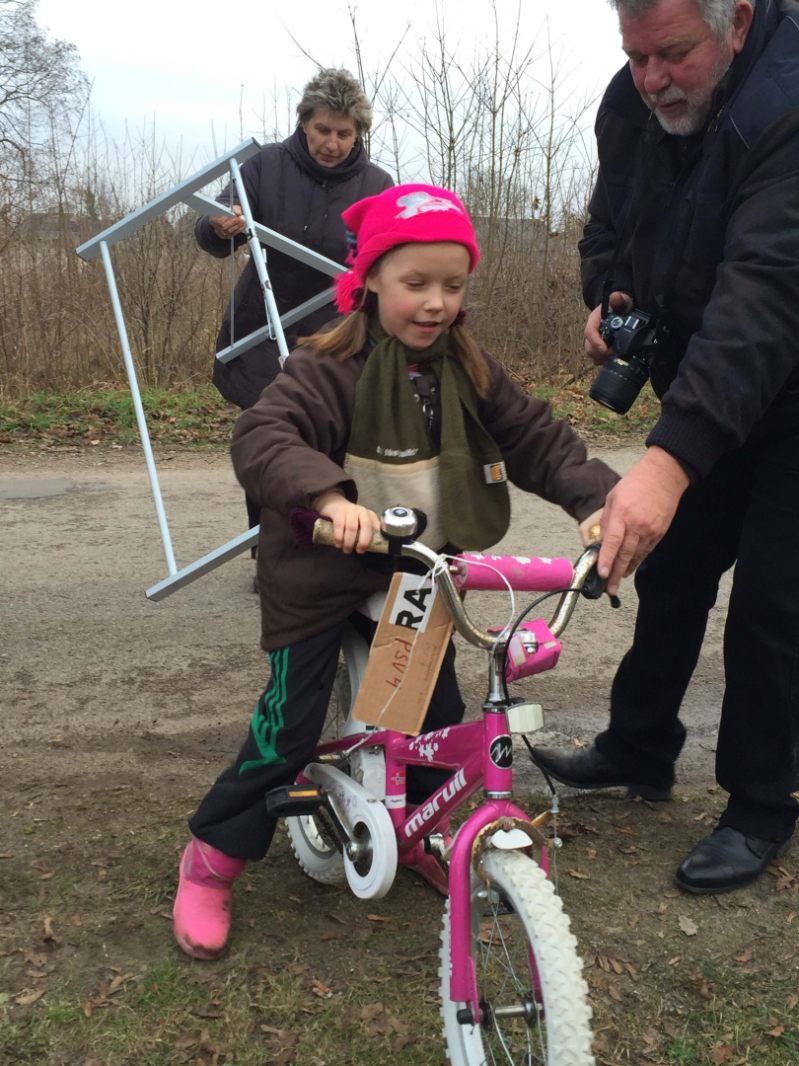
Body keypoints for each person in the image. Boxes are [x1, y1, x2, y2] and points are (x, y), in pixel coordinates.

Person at [173, 183, 620, 959]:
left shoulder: (467, 369)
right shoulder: (325, 366)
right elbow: (263, 435)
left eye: (453, 284)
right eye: (416, 282)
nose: (436, 303)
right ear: (372, 277)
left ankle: (414, 831)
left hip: (418, 576)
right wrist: (327, 497)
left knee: (435, 725)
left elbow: (535, 438)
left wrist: (597, 504)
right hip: (321, 575)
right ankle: (213, 857)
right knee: (287, 729)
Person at [532, 0, 799, 894]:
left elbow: (765, 293)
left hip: (785, 381)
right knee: (674, 566)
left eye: (672, 54)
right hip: (706, 383)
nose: (650, 80)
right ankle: (637, 748)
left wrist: (670, 459)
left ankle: (760, 803)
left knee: (773, 602)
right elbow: (608, 225)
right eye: (635, 54)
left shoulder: (786, 103)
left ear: (738, 21)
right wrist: (607, 292)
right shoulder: (629, 102)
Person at [195, 68, 393, 558]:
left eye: (344, 133)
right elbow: (213, 224)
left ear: (358, 133)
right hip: (263, 323)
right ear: (304, 122)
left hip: (338, 329)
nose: (332, 143)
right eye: (322, 129)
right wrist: (219, 225)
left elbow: (388, 258)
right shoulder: (264, 166)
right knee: (272, 435)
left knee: (331, 433)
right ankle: (270, 551)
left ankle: (328, 547)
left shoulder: (377, 184)